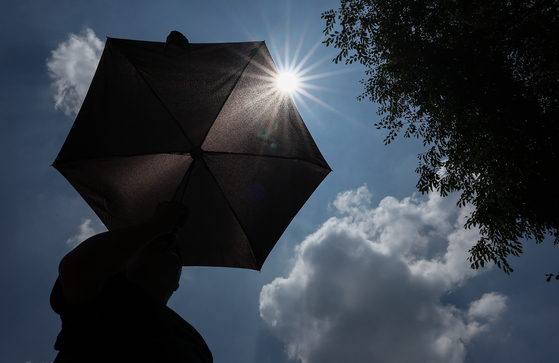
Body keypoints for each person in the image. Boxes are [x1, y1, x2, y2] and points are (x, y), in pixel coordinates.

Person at [50, 201, 213, 362]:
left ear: (177, 284)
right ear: (121, 268)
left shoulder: (196, 342)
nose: (163, 246)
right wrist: (157, 226)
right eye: (150, 244)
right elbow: (77, 269)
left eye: (173, 249)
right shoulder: (107, 292)